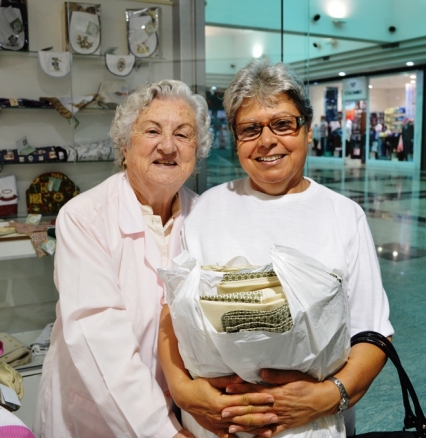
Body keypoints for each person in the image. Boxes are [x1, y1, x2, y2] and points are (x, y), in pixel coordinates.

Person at [159, 58, 394, 438]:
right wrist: (186, 394)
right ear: (235, 140)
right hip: (216, 427)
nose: (267, 141)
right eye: (250, 129)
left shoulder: (343, 215)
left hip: (312, 426)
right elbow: (172, 314)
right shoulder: (206, 209)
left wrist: (326, 397)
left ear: (307, 131)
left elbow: (373, 333)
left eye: (282, 124)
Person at [34, 80, 216, 437]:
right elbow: (100, 338)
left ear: (198, 150)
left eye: (183, 134)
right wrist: (165, 433)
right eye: (152, 131)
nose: (168, 146)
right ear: (124, 145)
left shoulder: (205, 217)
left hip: (182, 411)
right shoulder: (85, 217)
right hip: (97, 417)